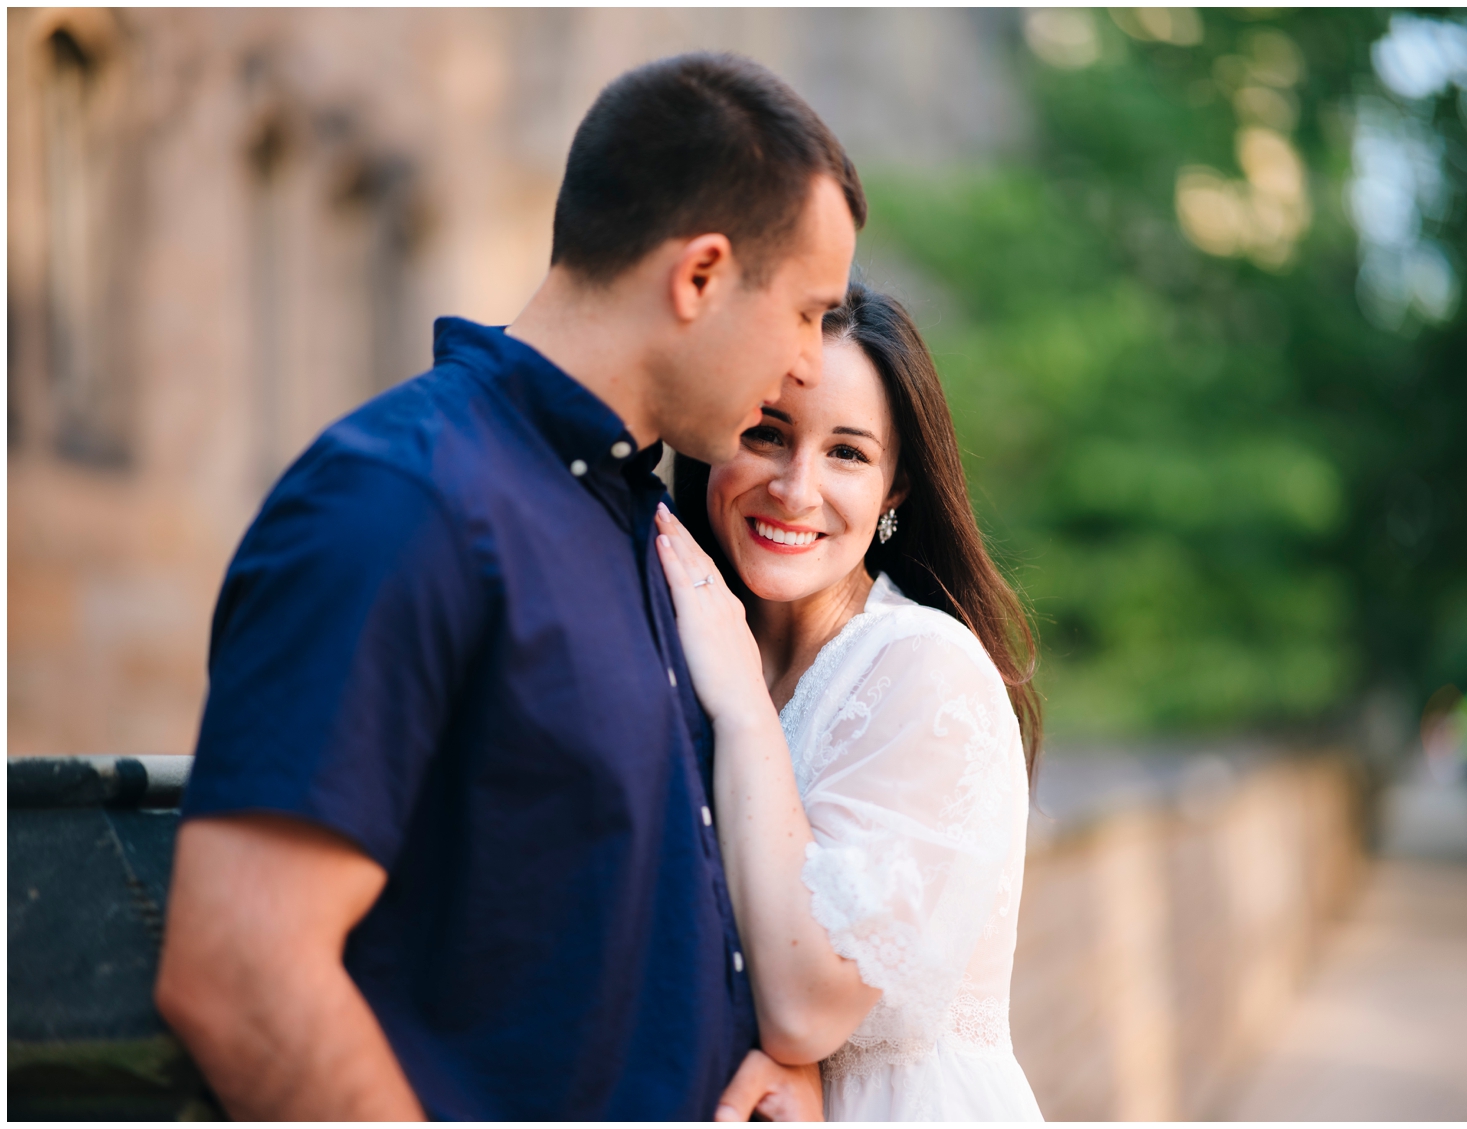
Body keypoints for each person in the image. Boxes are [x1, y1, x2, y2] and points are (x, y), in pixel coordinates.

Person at [154, 52, 863, 1120]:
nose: (810, 362)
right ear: (701, 275)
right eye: (809, 311)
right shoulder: (400, 502)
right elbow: (243, 973)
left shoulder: (648, 523)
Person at [655, 283, 1046, 1120]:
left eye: (848, 453)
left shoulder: (925, 670)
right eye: (767, 433)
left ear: (895, 489)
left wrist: (744, 709)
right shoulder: (693, 632)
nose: (796, 489)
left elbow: (804, 1006)